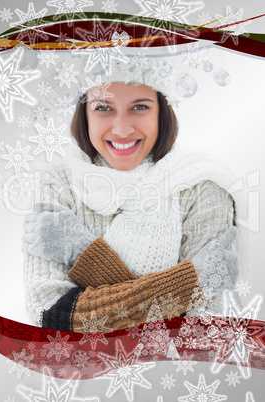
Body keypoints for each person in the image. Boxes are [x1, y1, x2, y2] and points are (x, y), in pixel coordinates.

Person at [22, 59, 240, 332]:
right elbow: (49, 312)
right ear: (84, 113)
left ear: (162, 110)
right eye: (103, 108)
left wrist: (82, 253)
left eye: (139, 107)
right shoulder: (60, 180)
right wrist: (189, 285)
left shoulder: (203, 187)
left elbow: (199, 330)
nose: (122, 129)